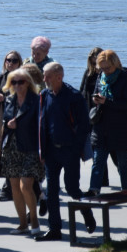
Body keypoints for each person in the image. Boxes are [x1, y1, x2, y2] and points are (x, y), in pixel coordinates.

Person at [36, 63, 95, 241]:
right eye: (43, 75)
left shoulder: (74, 96)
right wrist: (42, 151)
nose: (44, 79)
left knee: (72, 188)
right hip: (51, 152)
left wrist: (75, 148)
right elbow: (42, 123)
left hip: (69, 151)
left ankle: (86, 212)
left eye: (47, 76)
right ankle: (55, 229)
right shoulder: (44, 95)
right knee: (52, 191)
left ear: (59, 77)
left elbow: (84, 126)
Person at [0, 68, 44, 235]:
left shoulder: (36, 100)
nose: (17, 85)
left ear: (28, 83)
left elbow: (40, 124)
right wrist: (7, 125)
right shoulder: (9, 100)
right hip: (12, 147)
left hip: (31, 147)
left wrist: (19, 125)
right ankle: (22, 223)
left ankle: (34, 221)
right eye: (14, 82)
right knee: (14, 187)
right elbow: (5, 121)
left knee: (25, 186)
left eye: (21, 82)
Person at [86, 50, 127, 194]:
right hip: (101, 126)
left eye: (108, 68)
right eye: (102, 68)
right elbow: (95, 93)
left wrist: (106, 101)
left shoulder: (125, 76)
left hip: (121, 127)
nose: (105, 71)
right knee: (98, 160)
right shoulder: (100, 76)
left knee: (124, 161)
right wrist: (96, 100)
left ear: (115, 64)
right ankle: (94, 189)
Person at [0, 50, 23, 203]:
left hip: (20, 122)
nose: (10, 63)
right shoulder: (0, 78)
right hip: (3, 121)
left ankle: (11, 187)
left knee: (17, 154)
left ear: (20, 62)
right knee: (6, 153)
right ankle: (9, 186)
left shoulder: (23, 79)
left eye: (14, 60)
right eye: (8, 60)